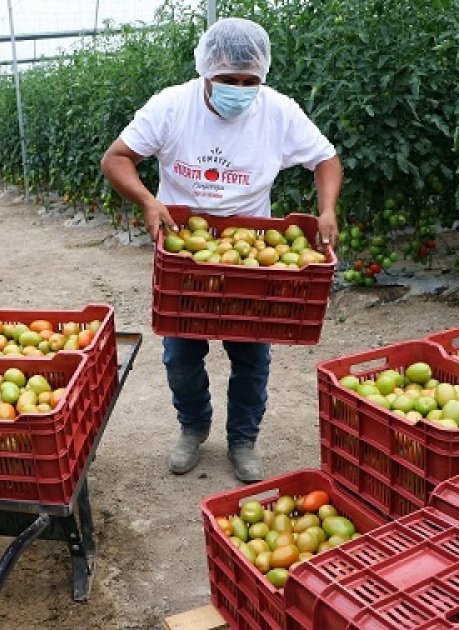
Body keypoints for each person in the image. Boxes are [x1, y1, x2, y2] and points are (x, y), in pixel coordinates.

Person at [100, 17, 342, 482]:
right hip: (185, 256)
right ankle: (193, 427)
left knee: (251, 356)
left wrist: (327, 209)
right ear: (206, 72)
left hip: (253, 253)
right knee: (180, 355)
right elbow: (116, 158)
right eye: (228, 79)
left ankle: (243, 439)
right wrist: (148, 201)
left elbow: (325, 158)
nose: (240, 89)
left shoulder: (279, 112)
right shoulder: (172, 106)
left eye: (250, 81)